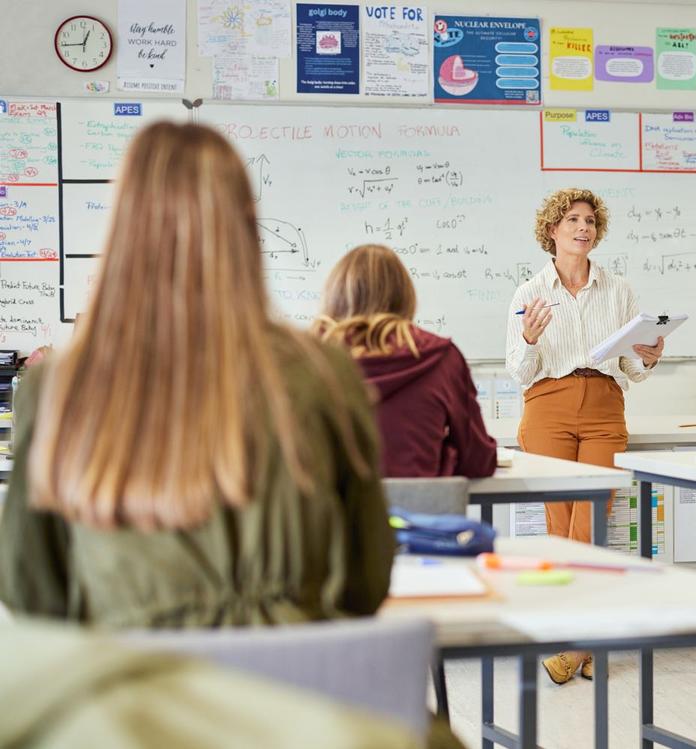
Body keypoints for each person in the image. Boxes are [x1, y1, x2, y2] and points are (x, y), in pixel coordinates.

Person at [0, 123, 393, 627]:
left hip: (129, 696)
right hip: (289, 695)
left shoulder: (57, 386)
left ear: (122, 228)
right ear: (246, 228)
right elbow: (366, 583)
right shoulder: (325, 373)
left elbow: (33, 594)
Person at [505, 187, 663, 684]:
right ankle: (584, 641)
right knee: (559, 525)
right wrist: (530, 339)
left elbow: (630, 367)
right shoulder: (529, 292)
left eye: (590, 220)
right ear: (551, 230)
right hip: (547, 406)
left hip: (602, 406)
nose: (583, 227)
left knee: (590, 523)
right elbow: (519, 370)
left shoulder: (618, 289)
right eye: (572, 219)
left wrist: (647, 358)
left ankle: (571, 644)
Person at [0, 622, 421, 749]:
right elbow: (366, 579)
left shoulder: (58, 418)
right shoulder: (332, 412)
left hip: (120, 673)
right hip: (321, 691)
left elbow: (32, 599)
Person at [314, 243, 497, 479]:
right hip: (417, 514)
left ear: (334, 296)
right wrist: (441, 453)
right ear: (405, 296)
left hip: (333, 514)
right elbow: (478, 462)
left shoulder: (308, 361)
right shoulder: (443, 358)